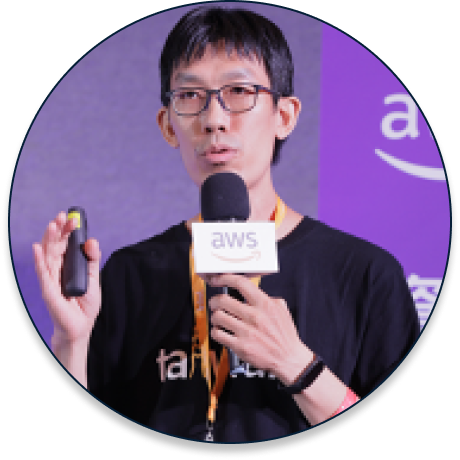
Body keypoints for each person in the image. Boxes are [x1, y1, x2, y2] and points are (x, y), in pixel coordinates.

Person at [32, 6, 420, 442]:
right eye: (190, 95)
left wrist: (297, 365)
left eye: (239, 91)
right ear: (168, 125)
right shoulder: (129, 275)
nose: (214, 119)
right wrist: (70, 342)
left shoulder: (366, 275)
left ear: (284, 116)